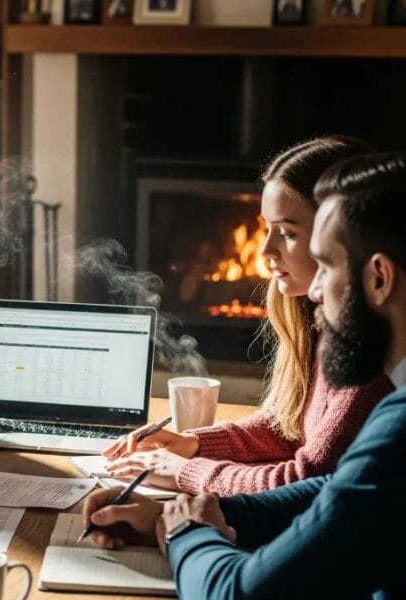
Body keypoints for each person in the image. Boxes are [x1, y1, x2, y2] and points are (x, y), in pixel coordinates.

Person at [83, 152, 406, 598]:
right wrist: (185, 514)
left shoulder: (399, 425)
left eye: (326, 267)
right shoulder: (396, 408)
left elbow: (235, 594)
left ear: (379, 279)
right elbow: (330, 491)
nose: (314, 292)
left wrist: (185, 530)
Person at [103, 136, 392, 495]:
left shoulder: (370, 366)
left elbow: (306, 478)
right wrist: (190, 443)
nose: (266, 250)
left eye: (286, 232)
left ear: (337, 234)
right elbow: (286, 427)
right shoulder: (321, 321)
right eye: (265, 228)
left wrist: (186, 472)